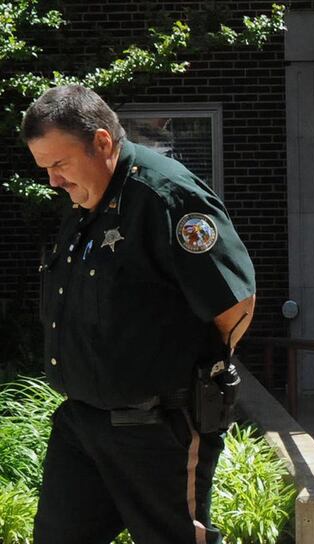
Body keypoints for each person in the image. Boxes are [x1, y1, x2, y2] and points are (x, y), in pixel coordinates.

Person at [23, 85, 256, 544]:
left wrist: (188, 374)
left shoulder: (165, 196)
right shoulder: (87, 199)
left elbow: (235, 305)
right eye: (45, 168)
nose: (53, 181)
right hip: (83, 421)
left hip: (156, 429)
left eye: (59, 164)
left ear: (103, 143)